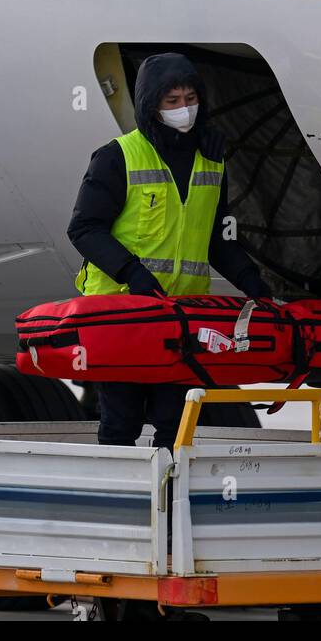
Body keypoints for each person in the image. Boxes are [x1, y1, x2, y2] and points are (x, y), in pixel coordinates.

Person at [67, 51, 270, 449]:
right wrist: (132, 273)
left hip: (180, 314)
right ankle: (121, 503)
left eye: (190, 99)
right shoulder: (117, 156)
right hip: (123, 311)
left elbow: (217, 239)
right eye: (172, 102)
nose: (184, 110)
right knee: (120, 422)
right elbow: (84, 228)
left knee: (175, 424)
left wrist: (254, 285)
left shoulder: (211, 161)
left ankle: (168, 505)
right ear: (151, 105)